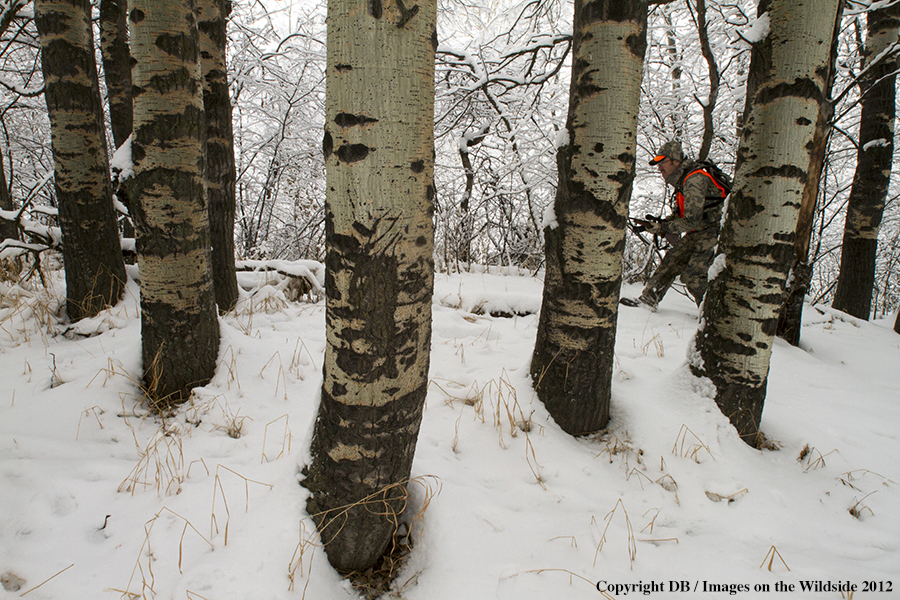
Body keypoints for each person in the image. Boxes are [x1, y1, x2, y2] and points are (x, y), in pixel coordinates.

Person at [621, 140, 728, 311]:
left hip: (714, 232)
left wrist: (663, 228)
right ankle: (648, 300)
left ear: (676, 161)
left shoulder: (694, 180)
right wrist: (660, 224)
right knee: (671, 262)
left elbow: (692, 220)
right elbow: (683, 216)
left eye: (663, 162)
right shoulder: (683, 180)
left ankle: (713, 315)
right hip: (700, 231)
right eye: (658, 164)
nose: (660, 168)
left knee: (694, 277)